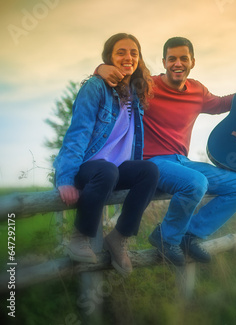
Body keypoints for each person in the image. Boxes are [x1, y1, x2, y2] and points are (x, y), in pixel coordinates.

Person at [96, 36, 236, 266]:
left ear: (192, 62)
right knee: (195, 182)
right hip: (152, 164)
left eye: (183, 58)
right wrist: (101, 68)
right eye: (171, 59)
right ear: (164, 62)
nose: (177, 63)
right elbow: (116, 78)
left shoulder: (197, 91)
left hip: (183, 162)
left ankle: (190, 236)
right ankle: (165, 237)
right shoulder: (146, 84)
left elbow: (222, 104)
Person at [54, 33, 159, 276]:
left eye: (134, 53)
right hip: (88, 168)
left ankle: (118, 237)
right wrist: (66, 179)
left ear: (139, 59)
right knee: (106, 170)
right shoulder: (95, 87)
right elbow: (77, 134)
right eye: (120, 52)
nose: (128, 57)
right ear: (109, 58)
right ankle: (80, 238)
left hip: (114, 169)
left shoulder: (137, 91)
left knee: (150, 170)